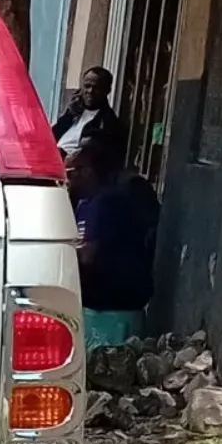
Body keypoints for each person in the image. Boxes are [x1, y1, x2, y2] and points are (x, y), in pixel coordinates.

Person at [65, 142, 155, 350]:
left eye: (72, 171)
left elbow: (88, 254)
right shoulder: (85, 204)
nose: (67, 178)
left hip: (113, 301)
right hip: (102, 302)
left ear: (87, 171)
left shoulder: (105, 204)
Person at [53, 66, 126, 161]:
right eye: (87, 86)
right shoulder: (74, 112)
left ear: (107, 91)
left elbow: (90, 155)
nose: (90, 91)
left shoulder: (108, 123)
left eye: (96, 88)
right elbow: (52, 134)